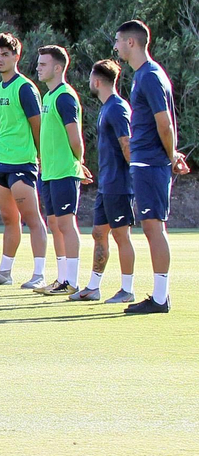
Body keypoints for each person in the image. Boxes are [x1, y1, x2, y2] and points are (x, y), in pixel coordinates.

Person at [114, 19, 188, 314]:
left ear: (131, 42)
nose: (116, 46)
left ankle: (160, 298)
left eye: (118, 40)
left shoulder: (150, 76)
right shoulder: (143, 75)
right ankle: (159, 296)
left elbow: (164, 122)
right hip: (146, 161)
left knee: (154, 226)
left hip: (151, 162)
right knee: (150, 226)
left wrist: (172, 155)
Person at [0, 33, 49, 290]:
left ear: (17, 56)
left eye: (5, 54)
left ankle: (39, 274)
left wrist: (41, 157)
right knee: (8, 219)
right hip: (1, 163)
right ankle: (5, 271)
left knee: (32, 219)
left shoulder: (25, 87)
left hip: (22, 163)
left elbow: (37, 126)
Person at [70, 59, 137, 304]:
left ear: (97, 81)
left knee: (121, 236)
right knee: (99, 233)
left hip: (119, 185)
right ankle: (93, 287)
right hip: (107, 184)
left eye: (90, 78)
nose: (89, 82)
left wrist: (135, 177)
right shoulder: (106, 108)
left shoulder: (117, 108)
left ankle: (127, 290)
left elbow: (126, 144)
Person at [34, 45, 87, 296]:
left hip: (64, 171)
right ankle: (62, 278)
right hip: (50, 172)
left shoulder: (65, 96)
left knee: (66, 224)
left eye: (43, 64)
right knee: (55, 224)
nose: (38, 68)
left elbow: (75, 138)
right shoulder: (48, 96)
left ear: (57, 68)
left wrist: (78, 162)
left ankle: (71, 281)